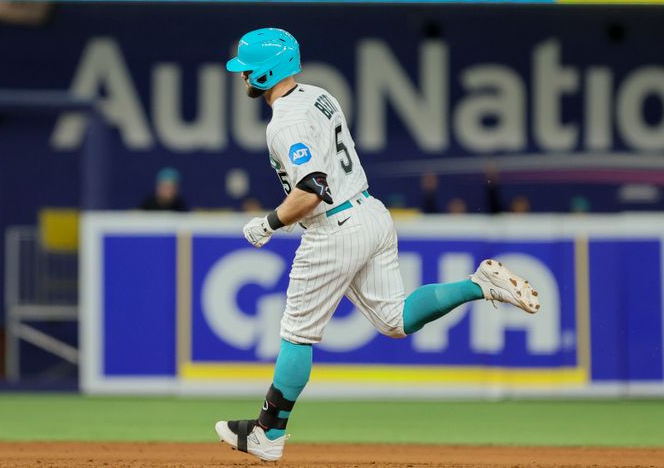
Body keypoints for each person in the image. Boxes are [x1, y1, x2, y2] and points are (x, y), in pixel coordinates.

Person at [215, 28, 541, 462]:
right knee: (394, 319)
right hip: (370, 212)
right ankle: (478, 285)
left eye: (247, 69)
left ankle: (268, 434)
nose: (242, 76)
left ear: (265, 73)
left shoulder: (286, 121)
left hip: (335, 228)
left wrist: (269, 223)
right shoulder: (317, 95)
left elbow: (311, 188)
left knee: (296, 334)